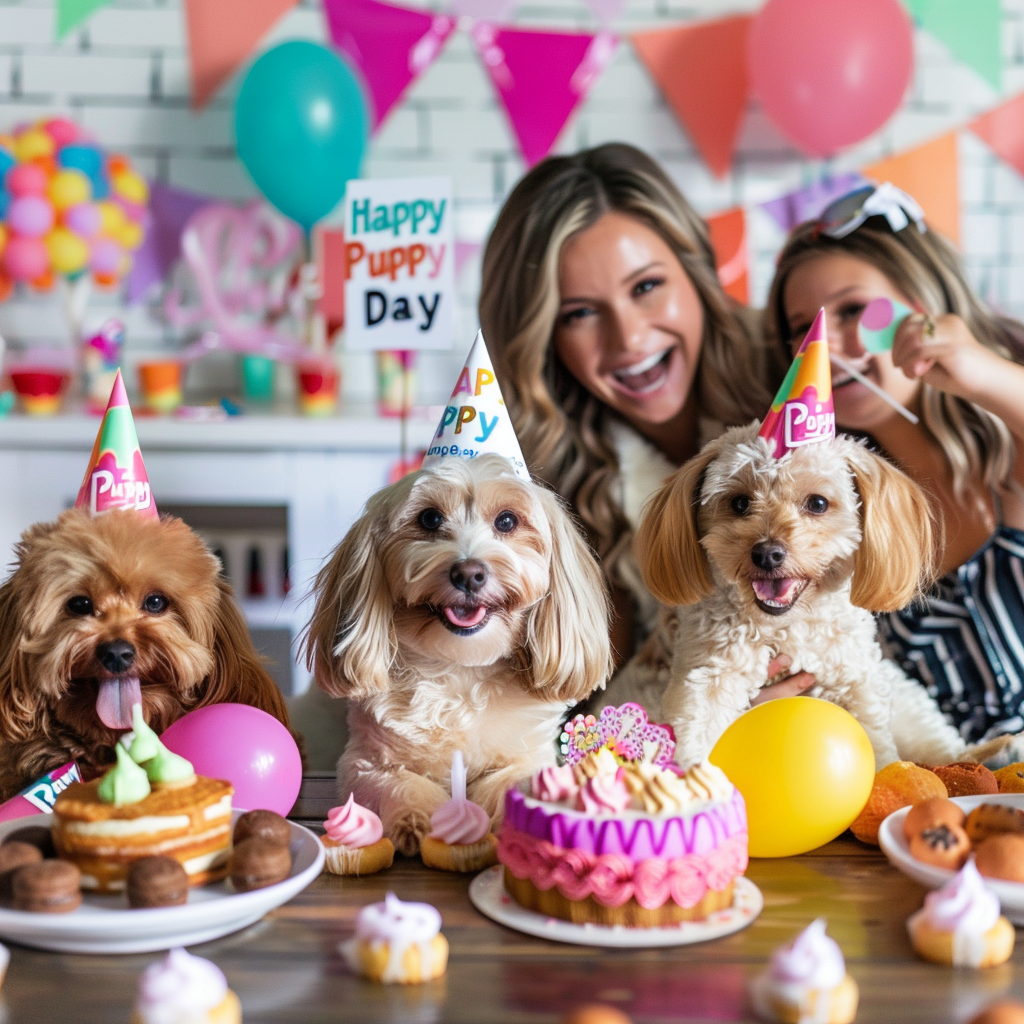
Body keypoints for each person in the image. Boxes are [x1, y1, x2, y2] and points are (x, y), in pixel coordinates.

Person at [480, 143, 776, 672]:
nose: (631, 338)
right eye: (580, 313)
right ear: (543, 339)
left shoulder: (798, 378)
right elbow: (583, 708)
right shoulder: (545, 492)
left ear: (696, 271)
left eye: (646, 286)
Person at [767, 182, 1024, 742]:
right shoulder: (832, 521)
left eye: (854, 310)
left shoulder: (1010, 453)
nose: (825, 348)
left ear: (925, 303)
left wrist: (979, 371)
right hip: (944, 806)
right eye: (801, 330)